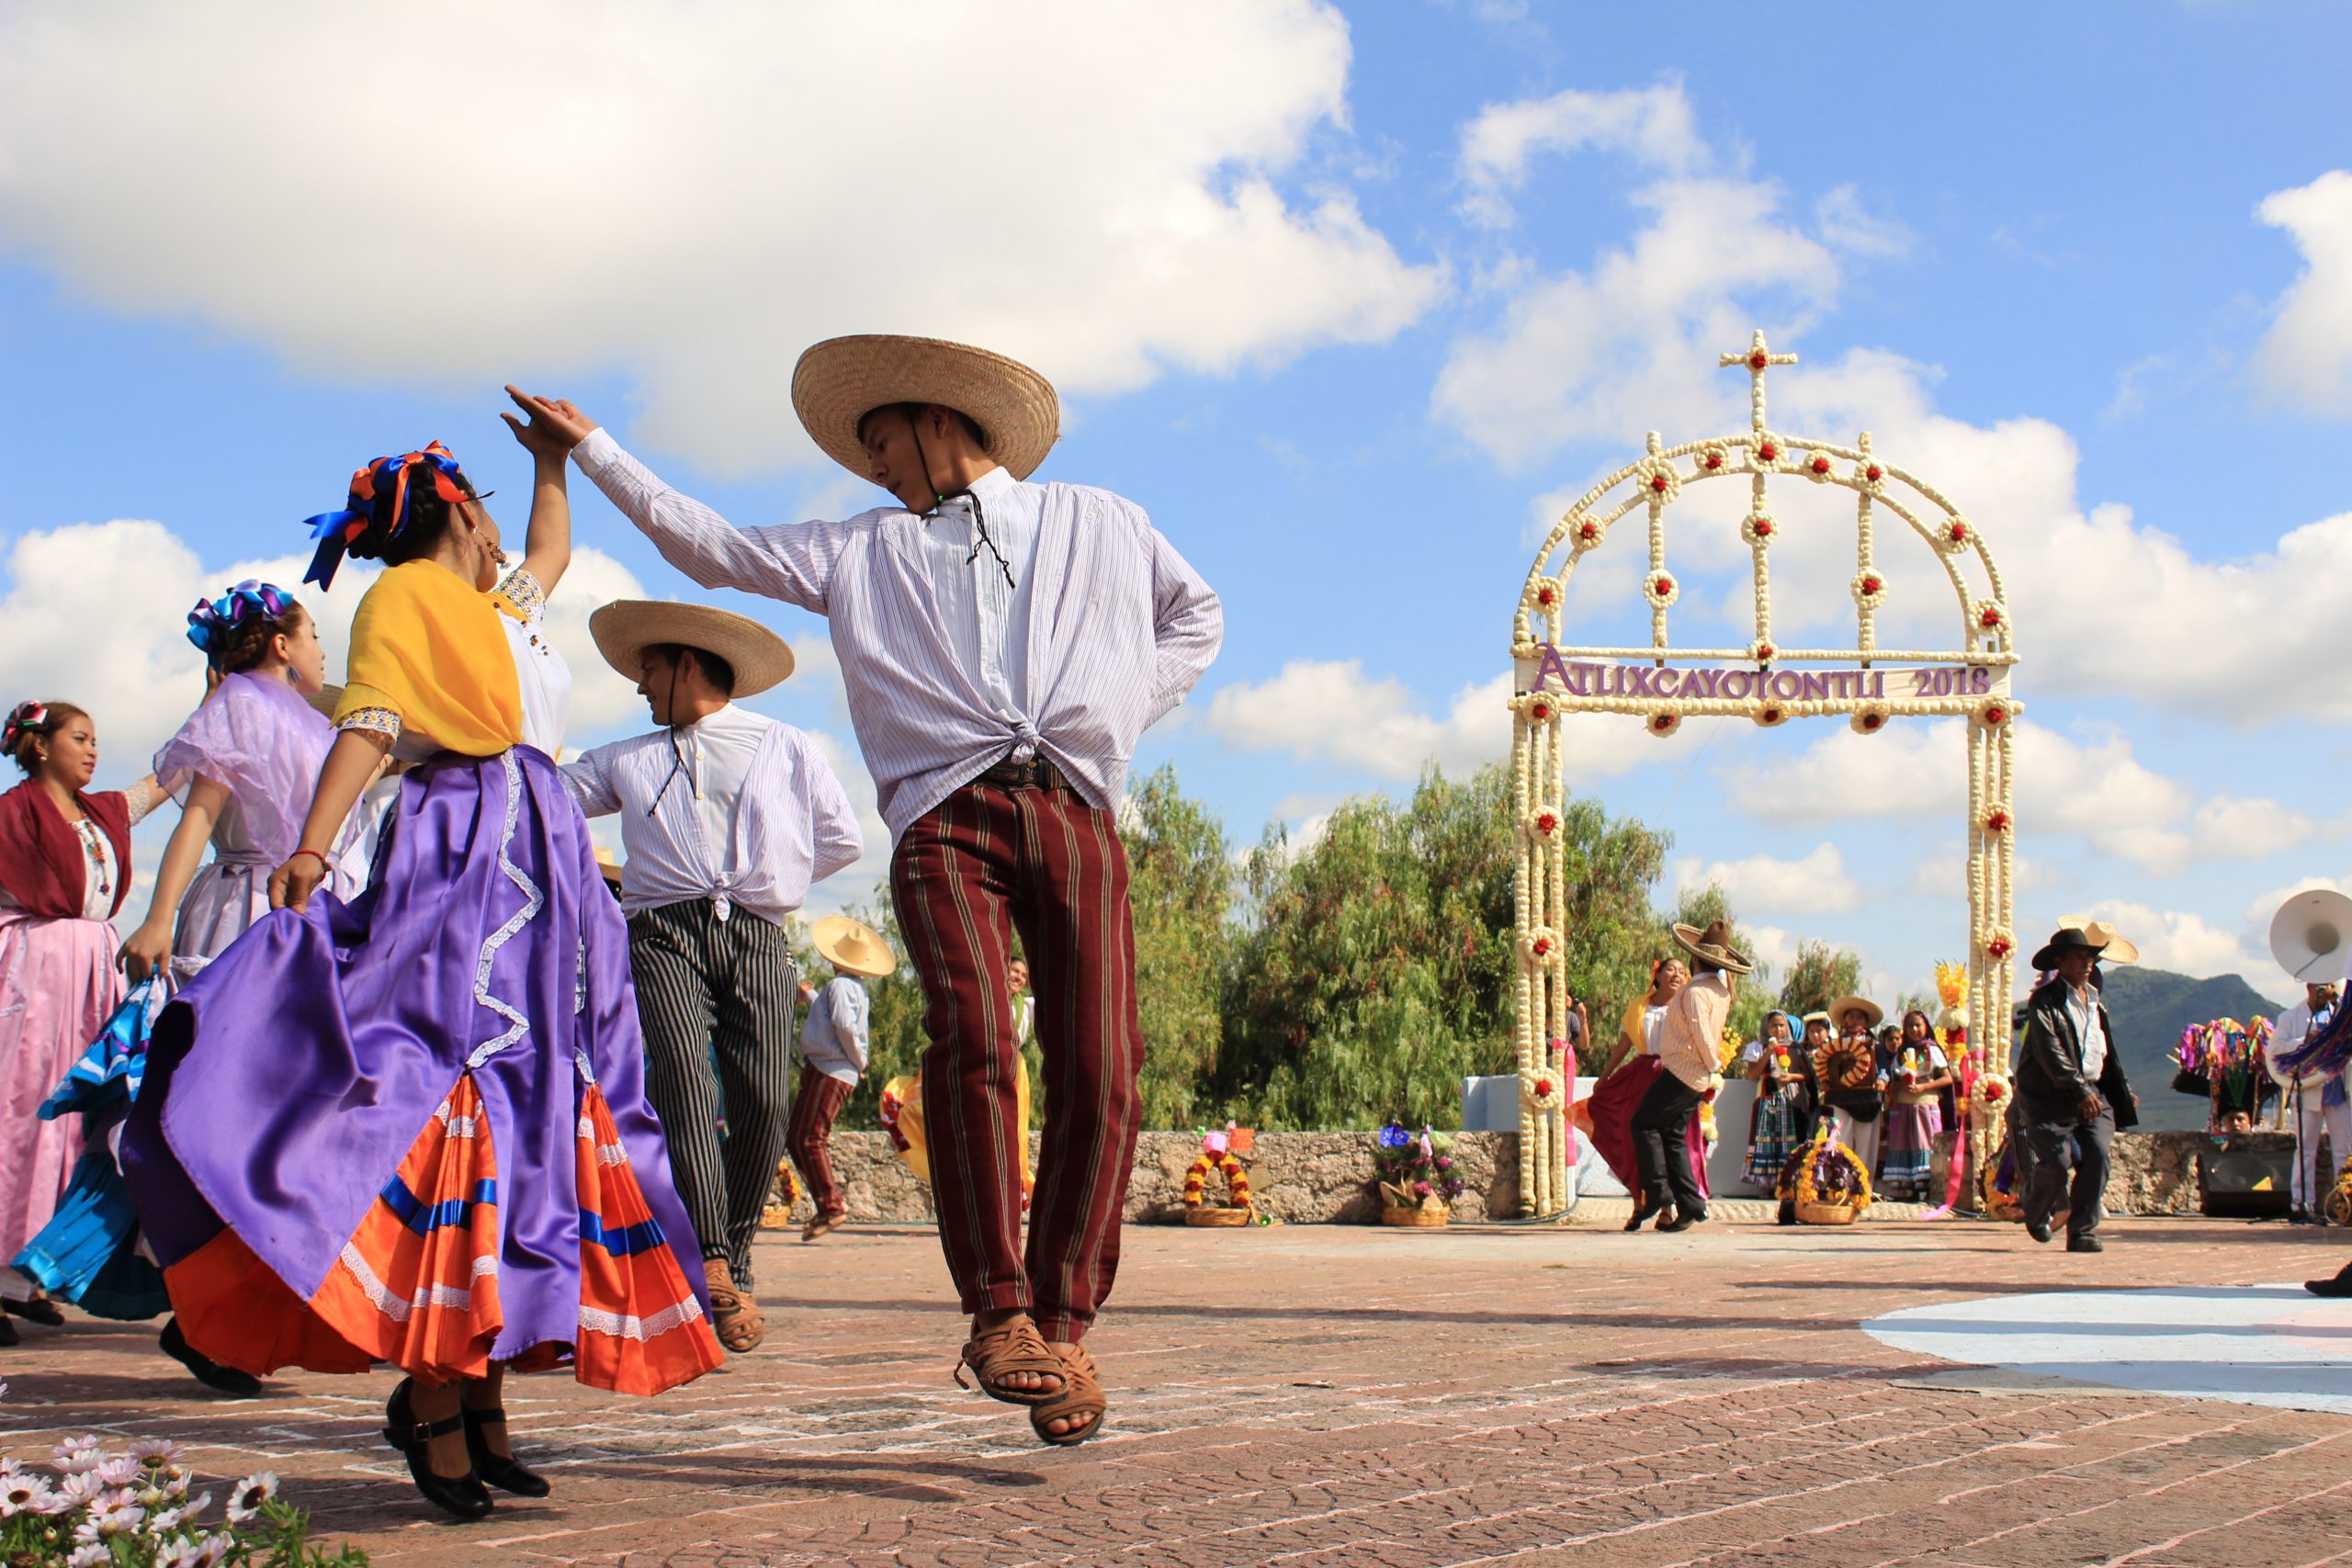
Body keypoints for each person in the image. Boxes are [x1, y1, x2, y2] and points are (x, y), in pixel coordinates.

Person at [520, 333, 1222, 1447]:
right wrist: (594, 451)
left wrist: (1116, 706)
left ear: (943, 420)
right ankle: (998, 1314)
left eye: (881, 440)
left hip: (1077, 810)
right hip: (946, 816)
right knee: (975, 1037)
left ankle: (1065, 1320)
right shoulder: (861, 552)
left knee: (1104, 1066)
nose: (874, 466)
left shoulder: (1103, 519)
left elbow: (1197, 617)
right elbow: (712, 549)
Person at [122, 411, 722, 1521]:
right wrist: (311, 842)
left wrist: (551, 466)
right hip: (471, 840)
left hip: (543, 843)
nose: (507, 537)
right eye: (489, 508)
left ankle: (478, 1388)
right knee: (460, 1093)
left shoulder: (502, 611)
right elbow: (374, 719)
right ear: (456, 510)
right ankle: (435, 1392)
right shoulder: (404, 597)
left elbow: (548, 554)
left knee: (540, 1107)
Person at [40, 581, 334, 1393]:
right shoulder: (241, 705)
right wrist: (161, 915)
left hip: (303, 915)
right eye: (312, 635)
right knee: (224, 1112)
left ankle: (228, 1310)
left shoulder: (319, 724)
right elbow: (199, 814)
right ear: (279, 642)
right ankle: (205, 1310)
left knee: (281, 1120)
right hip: (245, 913)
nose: (319, 651)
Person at [560, 599, 861, 1351]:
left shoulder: (787, 746)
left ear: (688, 664)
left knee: (762, 1094)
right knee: (686, 1083)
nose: (638, 687)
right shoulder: (627, 758)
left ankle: (731, 1244)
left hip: (758, 933)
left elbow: (841, 837)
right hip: (659, 930)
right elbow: (551, 794)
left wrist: (769, 877)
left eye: (648, 670)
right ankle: (714, 1261)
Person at [0, 703, 161, 1345]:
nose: (93, 750)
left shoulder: (99, 816)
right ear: (40, 746)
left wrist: (219, 706)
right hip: (32, 972)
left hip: (92, 970)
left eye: (97, 740)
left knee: (78, 1118)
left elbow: (164, 781)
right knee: (22, 1110)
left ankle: (27, 1271)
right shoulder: (12, 815)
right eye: (80, 738)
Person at [2014, 925, 2139, 1253]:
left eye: (2090, 959)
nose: (2087, 964)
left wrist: (2121, 1090)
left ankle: (2082, 1231)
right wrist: (2079, 1090)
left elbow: (2104, 1054)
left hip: (2094, 1093)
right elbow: (2049, 1051)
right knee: (2057, 1162)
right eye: (2080, 958)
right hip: (2049, 1098)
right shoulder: (2044, 1002)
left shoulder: (2097, 1005)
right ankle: (2035, 1205)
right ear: (2060, 961)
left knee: (2097, 1154)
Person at [1629, 921, 1747, 1231]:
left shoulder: (1695, 991)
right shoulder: (1720, 991)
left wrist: (1712, 1065)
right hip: (1690, 1073)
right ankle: (1691, 1204)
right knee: (1673, 1136)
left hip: (1684, 1072)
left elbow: (1703, 1034)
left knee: (1643, 1123)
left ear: (1695, 959)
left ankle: (1657, 1193)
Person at [789, 916, 896, 1241]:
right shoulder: (853, 988)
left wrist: (858, 1060)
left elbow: (845, 1027)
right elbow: (834, 1015)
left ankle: (831, 1205)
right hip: (832, 1066)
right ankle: (826, 1205)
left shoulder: (838, 986)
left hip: (831, 1067)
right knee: (799, 1136)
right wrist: (808, 998)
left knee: (808, 1137)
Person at [2266, 978, 2346, 1225]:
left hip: (2338, 1089)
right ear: (2310, 988)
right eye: (2323, 986)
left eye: (2332, 985)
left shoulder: (2341, 1016)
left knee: (2344, 1151)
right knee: (2306, 1150)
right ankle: (2302, 1203)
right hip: (2309, 1087)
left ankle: (2343, 1203)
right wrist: (2304, 1040)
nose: (2329, 991)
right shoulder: (2290, 1017)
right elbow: (2276, 1048)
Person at [1879, 1008, 1955, 1201]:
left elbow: (1947, 1079)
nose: (1914, 1029)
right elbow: (1893, 1078)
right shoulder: (1901, 1054)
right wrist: (1898, 1085)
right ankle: (1906, 1188)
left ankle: (1927, 1187)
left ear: (1925, 1027)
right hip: (1904, 1107)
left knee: (1925, 1142)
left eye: (1918, 1025)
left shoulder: (1932, 1050)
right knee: (1904, 1142)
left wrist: (1923, 1087)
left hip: (1925, 1106)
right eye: (1910, 1026)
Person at [1741, 1010, 1809, 1190]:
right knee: (1767, 1138)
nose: (1778, 1029)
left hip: (1791, 1098)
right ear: (1767, 1027)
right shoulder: (1758, 1047)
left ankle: (1787, 1182)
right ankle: (1766, 1183)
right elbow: (1753, 1074)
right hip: (1767, 1097)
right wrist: (1768, 1052)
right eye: (1773, 1026)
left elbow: (1807, 1075)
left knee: (1789, 1139)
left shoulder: (1795, 1048)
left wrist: (1792, 1077)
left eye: (1781, 1025)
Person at [1821, 995, 1888, 1175]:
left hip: (1868, 1099)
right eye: (1851, 1016)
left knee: (1867, 1143)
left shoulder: (1875, 1045)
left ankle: (1864, 1184)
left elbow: (1883, 1068)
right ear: (1844, 1020)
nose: (1854, 1020)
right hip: (1841, 1097)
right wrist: (1825, 1081)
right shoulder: (1833, 1045)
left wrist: (1882, 1080)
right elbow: (1825, 1067)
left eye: (1859, 1017)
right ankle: (1841, 1182)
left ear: (1866, 1022)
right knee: (1841, 1139)